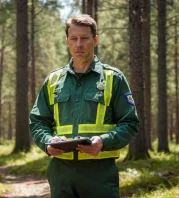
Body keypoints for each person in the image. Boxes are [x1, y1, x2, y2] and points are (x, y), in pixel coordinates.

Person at [29, 14, 140, 198]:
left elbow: (130, 123)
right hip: (61, 174)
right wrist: (47, 142)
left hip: (99, 174)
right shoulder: (53, 80)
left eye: (84, 38)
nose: (79, 44)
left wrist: (104, 141)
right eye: (74, 38)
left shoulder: (114, 78)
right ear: (67, 41)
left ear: (95, 40)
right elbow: (38, 120)